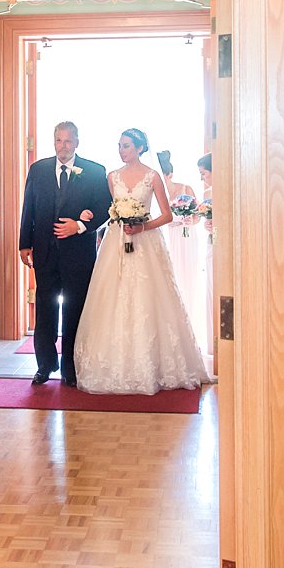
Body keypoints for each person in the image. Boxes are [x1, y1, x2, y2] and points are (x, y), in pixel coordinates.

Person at [74, 128, 208, 395]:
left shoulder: (152, 176)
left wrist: (142, 226)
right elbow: (106, 210)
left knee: (149, 298)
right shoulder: (112, 177)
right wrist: (91, 215)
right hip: (116, 243)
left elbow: (167, 215)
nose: (121, 150)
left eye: (125, 146)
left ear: (138, 148)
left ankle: (154, 365)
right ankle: (113, 365)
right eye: (119, 146)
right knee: (113, 299)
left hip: (146, 243)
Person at [18, 121, 111, 386]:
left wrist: (80, 226)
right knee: (45, 309)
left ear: (77, 142)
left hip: (78, 254)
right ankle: (45, 366)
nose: (63, 146)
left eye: (68, 141)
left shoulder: (94, 171)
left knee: (74, 309)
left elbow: (104, 207)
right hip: (45, 252)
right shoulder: (38, 170)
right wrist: (25, 244)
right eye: (58, 141)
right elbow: (29, 208)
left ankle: (71, 367)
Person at [157, 150, 207, 351]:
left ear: (169, 174)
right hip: (169, 238)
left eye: (165, 177)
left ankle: (191, 329)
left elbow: (198, 217)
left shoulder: (186, 188)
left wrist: (189, 219)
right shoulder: (157, 195)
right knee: (171, 279)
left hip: (186, 238)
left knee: (187, 278)